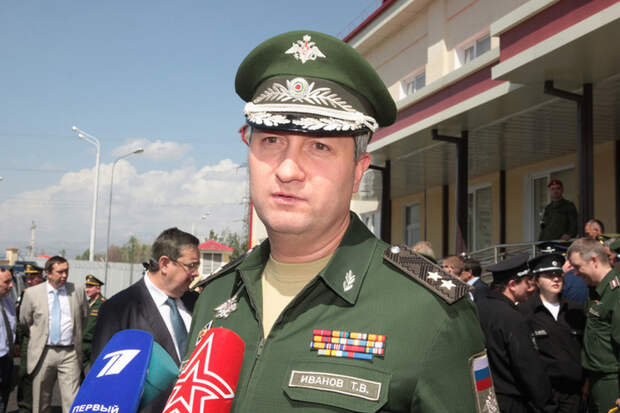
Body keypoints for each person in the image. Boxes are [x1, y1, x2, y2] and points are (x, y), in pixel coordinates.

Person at [186, 30, 493, 413]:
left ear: (358, 170)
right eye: (271, 141)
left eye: (319, 146)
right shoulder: (215, 295)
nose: (287, 170)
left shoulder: (430, 310)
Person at [92, 227, 200, 412]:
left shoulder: (196, 303)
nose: (196, 273)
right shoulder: (119, 309)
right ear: (164, 264)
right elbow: (104, 381)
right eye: (191, 266)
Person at [476, 253, 557, 413]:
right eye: (527, 282)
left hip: (484, 398)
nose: (530, 287)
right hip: (511, 401)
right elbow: (528, 367)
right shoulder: (512, 317)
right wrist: (547, 406)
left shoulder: (478, 308)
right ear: (512, 285)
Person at [19, 256, 88, 413]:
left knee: (72, 400)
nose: (64, 275)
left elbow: (83, 317)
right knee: (41, 401)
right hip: (43, 353)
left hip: (70, 353)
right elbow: (25, 320)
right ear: (48, 273)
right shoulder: (32, 293)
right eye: (60, 272)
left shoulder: (77, 290)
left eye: (66, 271)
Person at [519, 253, 585, 413]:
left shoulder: (575, 310)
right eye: (549, 275)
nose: (556, 279)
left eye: (558, 275)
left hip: (573, 392)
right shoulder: (525, 312)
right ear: (536, 280)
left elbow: (584, 347)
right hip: (543, 394)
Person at [567, 238, 620, 413]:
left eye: (577, 267)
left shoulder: (616, 293)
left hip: (612, 383)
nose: (575, 273)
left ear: (594, 261)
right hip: (596, 379)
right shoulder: (595, 291)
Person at [16, 264, 46, 413]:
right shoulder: (26, 293)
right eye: (27, 277)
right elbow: (20, 320)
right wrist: (17, 342)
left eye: (32, 277)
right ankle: (25, 407)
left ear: (41, 277)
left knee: (43, 376)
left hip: (45, 340)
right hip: (27, 339)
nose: (28, 281)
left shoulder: (48, 293)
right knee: (25, 374)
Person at [81, 274, 106, 370]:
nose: (87, 290)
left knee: (92, 371)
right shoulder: (86, 303)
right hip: (83, 345)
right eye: (87, 287)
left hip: (94, 345)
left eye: (90, 287)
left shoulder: (103, 304)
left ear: (98, 289)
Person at [0, 266, 16, 413]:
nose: (11, 285)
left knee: (4, 396)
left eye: (11, 281)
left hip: (6, 359)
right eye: (7, 282)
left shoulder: (8, 301)